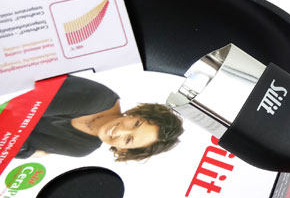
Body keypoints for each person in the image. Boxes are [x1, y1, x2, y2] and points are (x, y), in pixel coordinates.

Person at [14, 75, 183, 161]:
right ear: (137, 113)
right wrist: (30, 151)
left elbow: (9, 148)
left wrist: (26, 151)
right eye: (136, 123)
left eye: (128, 140)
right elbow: (16, 107)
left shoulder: (81, 148)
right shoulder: (96, 98)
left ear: (124, 150)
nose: (120, 130)